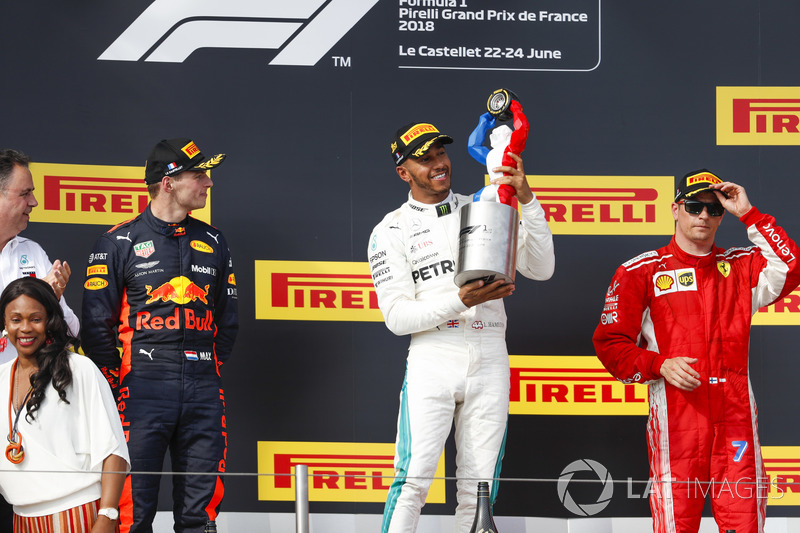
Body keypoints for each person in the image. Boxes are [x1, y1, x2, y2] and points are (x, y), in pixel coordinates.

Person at [370, 122, 555, 532]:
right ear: (404, 172)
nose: (439, 164)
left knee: (480, 488)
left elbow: (541, 269)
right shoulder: (390, 230)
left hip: (490, 353)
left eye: (441, 153)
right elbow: (398, 318)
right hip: (433, 355)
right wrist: (463, 299)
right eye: (425, 158)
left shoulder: (484, 206)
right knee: (413, 479)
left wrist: (526, 197)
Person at [592, 170, 800, 533]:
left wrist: (749, 214)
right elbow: (610, 344)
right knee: (677, 525)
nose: (704, 215)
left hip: (735, 415)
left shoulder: (740, 266)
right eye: (694, 206)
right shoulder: (640, 271)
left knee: (745, 522)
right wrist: (659, 365)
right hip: (678, 416)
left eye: (714, 209)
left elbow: (791, 266)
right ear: (675, 209)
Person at [80, 139, 238, 533]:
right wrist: (120, 382)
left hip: (204, 387)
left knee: (200, 517)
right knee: (132, 514)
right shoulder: (118, 241)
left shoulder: (215, 241)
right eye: (199, 174)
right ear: (168, 182)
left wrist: (207, 368)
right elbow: (96, 327)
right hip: (141, 388)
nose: (209, 183)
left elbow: (228, 321)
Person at [0, 277, 129, 533]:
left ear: (50, 321)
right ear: (5, 324)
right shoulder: (2, 376)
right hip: (21, 519)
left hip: (79, 515)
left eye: (35, 319)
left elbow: (113, 448)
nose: (25, 328)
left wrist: (107, 516)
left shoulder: (79, 368)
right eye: (16, 320)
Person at [0, 149, 78, 366]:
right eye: (25, 193)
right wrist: (34, 298)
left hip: (29, 390)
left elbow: (72, 331)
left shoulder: (32, 251)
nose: (34, 202)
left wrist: (54, 299)